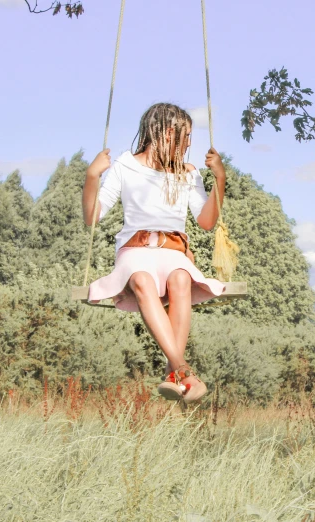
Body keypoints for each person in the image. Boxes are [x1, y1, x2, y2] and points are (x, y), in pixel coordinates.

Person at [82, 102, 226, 403]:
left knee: (181, 278)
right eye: (185, 137)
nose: (189, 145)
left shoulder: (187, 173)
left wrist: (220, 180)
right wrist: (92, 177)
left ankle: (174, 374)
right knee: (143, 280)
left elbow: (207, 221)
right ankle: (183, 372)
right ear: (167, 133)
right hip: (135, 248)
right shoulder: (125, 165)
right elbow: (93, 217)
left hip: (173, 249)